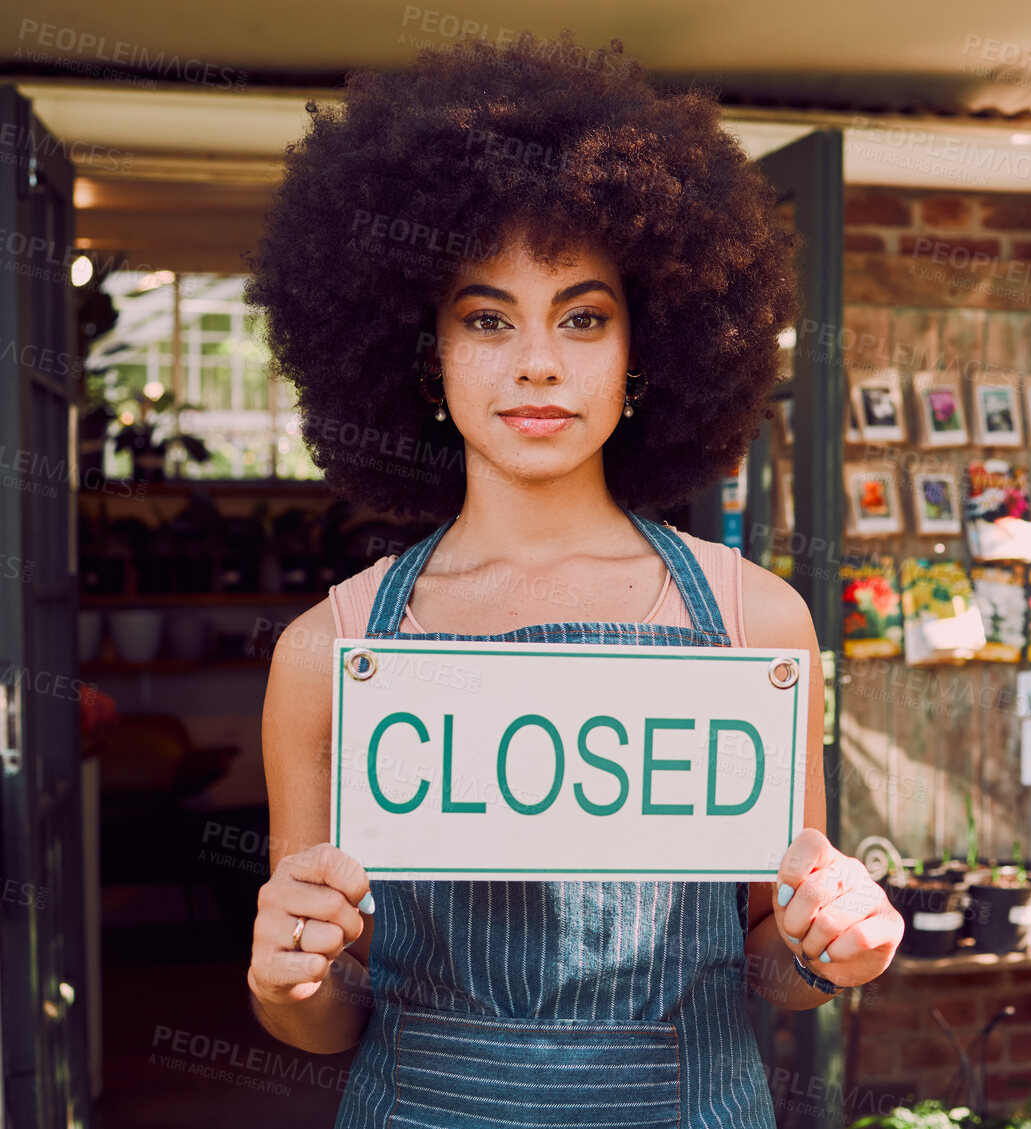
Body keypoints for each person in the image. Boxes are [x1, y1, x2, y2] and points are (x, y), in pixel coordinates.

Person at [241, 30, 903, 1127]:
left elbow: (773, 973)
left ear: (647, 349)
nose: (537, 361)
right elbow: (321, 1018)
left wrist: (835, 948)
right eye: (487, 317)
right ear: (424, 352)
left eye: (583, 317)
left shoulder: (755, 625)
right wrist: (286, 974)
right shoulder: (328, 650)